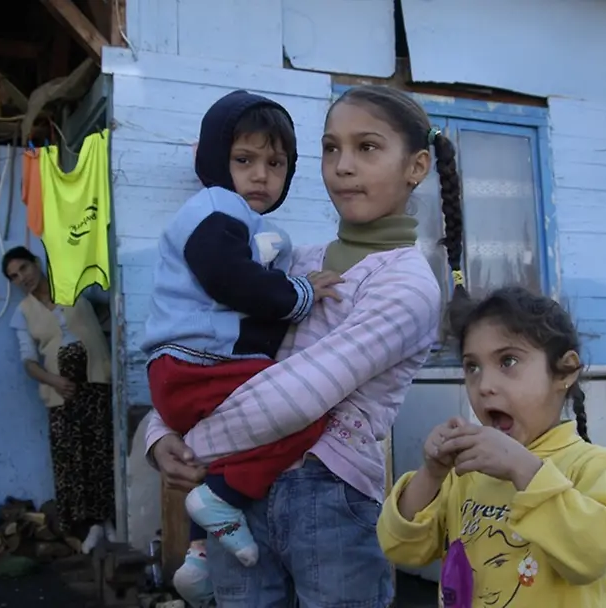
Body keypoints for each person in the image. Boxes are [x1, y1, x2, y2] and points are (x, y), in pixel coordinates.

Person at [146, 83, 468, 607]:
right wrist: (159, 435)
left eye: (367, 147)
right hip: (239, 492)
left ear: (417, 166)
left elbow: (304, 390)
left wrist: (196, 444)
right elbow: (209, 345)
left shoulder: (407, 286)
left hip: (326, 493)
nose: (342, 166)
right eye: (331, 148)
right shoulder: (292, 262)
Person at [139, 90, 343, 602]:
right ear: (212, 160)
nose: (261, 176)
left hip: (186, 371)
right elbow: (231, 279)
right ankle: (223, 499)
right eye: (244, 159)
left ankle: (200, 554)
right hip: (201, 365)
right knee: (305, 412)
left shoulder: (259, 228)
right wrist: (299, 294)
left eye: (276, 163)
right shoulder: (215, 207)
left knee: (226, 445)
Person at [378, 286, 606, 607]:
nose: (484, 386)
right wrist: (431, 474)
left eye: (508, 361)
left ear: (565, 371)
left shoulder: (594, 467)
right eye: (472, 367)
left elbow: (590, 556)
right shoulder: (465, 472)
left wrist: (522, 467)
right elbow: (398, 547)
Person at [3, 246, 116, 552]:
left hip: (96, 382)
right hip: (61, 392)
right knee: (73, 461)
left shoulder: (74, 284)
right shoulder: (22, 313)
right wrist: (54, 380)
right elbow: (28, 361)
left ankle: (109, 521)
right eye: (14, 276)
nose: (21, 278)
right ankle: (89, 527)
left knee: (101, 451)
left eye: (23, 269)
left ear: (36, 263)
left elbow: (112, 301)